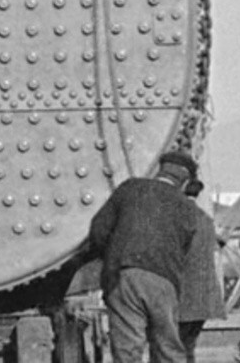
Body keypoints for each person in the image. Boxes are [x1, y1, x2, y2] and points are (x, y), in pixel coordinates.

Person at [87, 150, 199, 363]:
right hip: (163, 281)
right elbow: (185, 250)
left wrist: (110, 257)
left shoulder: (131, 188)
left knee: (127, 349)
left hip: (124, 275)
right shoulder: (187, 207)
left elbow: (98, 230)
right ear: (185, 183)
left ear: (159, 171)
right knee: (167, 347)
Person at [176, 179, 225, 363]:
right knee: (189, 345)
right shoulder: (206, 219)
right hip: (205, 296)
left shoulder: (176, 217)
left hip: (183, 295)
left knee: (175, 346)